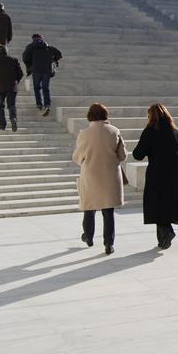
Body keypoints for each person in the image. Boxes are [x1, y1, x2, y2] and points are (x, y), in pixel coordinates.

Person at [132, 103, 178, 249]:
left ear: (151, 117)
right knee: (168, 203)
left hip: (157, 174)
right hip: (176, 174)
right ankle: (162, 239)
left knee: (157, 204)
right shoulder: (176, 132)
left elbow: (138, 154)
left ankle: (166, 232)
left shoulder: (149, 131)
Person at [73, 103, 127, 255]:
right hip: (110, 175)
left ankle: (88, 236)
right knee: (108, 211)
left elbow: (78, 157)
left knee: (89, 207)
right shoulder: (114, 131)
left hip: (90, 174)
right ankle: (109, 243)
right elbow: (122, 156)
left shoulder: (84, 133)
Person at [22, 33, 63, 116]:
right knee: (45, 88)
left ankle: (39, 105)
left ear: (33, 39)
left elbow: (25, 57)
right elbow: (59, 54)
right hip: (46, 70)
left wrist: (30, 65)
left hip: (36, 70)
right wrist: (52, 59)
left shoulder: (30, 47)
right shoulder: (48, 47)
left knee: (37, 88)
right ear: (41, 38)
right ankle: (47, 105)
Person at [0, 45, 23, 132]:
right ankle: (13, 118)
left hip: (0, 86)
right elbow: (20, 73)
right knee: (11, 104)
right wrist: (16, 80)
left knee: (0, 106)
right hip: (11, 86)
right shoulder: (13, 60)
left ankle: (2, 125)